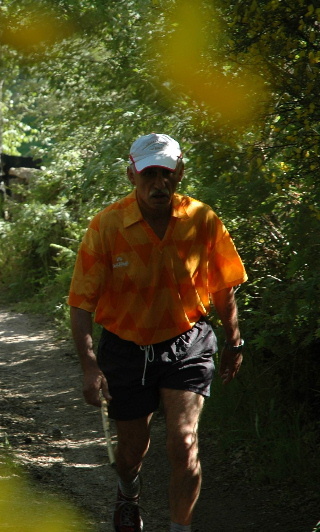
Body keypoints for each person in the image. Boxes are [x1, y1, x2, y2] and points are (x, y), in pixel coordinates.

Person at [67, 133, 247, 532]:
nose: (158, 183)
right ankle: (128, 491)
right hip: (126, 347)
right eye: (149, 173)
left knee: (184, 443)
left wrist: (234, 341)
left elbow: (223, 287)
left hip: (187, 341)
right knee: (131, 451)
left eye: (166, 173)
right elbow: (80, 303)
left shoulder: (202, 220)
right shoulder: (108, 225)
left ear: (179, 172)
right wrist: (89, 366)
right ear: (132, 174)